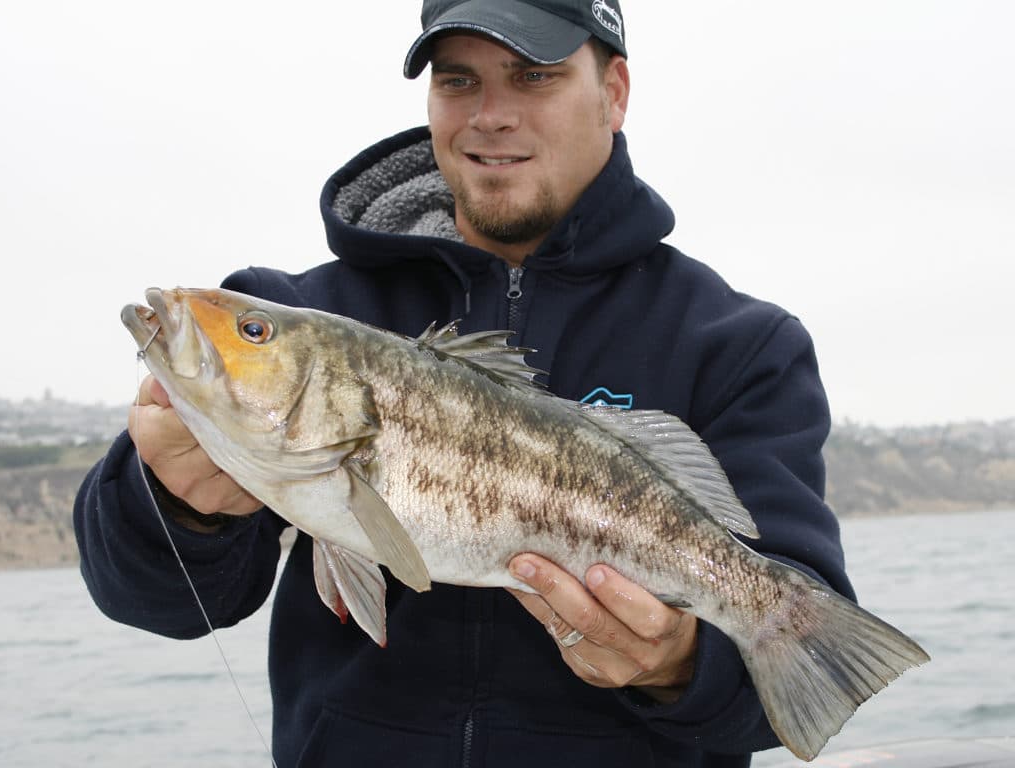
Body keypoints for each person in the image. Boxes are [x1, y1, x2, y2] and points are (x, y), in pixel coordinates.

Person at [75, 2, 854, 766]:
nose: (491, 115)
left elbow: (783, 695)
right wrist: (174, 505)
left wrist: (679, 662)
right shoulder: (308, 310)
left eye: (533, 76)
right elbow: (155, 602)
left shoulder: (743, 346)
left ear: (613, 92)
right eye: (457, 81)